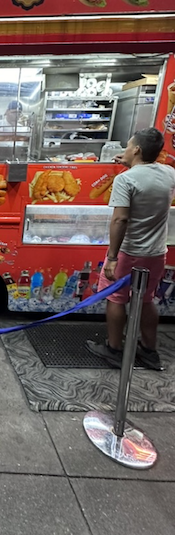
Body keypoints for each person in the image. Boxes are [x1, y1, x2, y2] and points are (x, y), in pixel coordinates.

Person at [86, 127, 175, 370]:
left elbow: (120, 219)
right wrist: (131, 166)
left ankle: (114, 349)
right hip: (156, 253)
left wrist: (112, 258)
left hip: (129, 252)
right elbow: (148, 182)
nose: (125, 149)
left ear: (136, 149)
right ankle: (149, 351)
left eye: (128, 146)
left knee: (116, 298)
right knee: (146, 300)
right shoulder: (169, 173)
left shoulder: (125, 180)